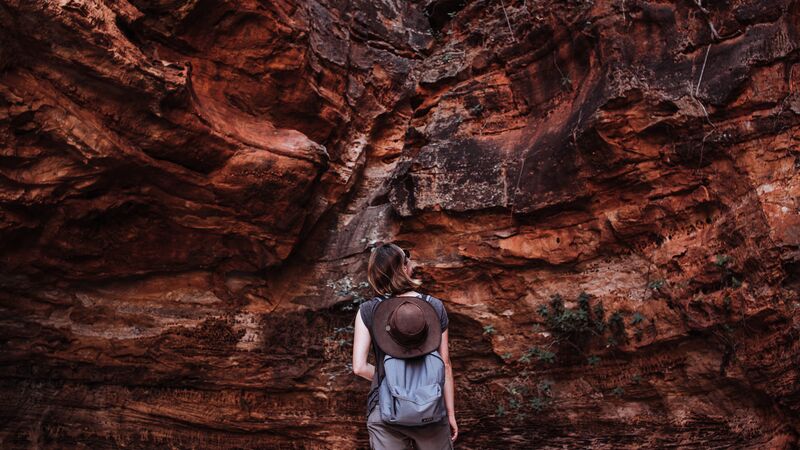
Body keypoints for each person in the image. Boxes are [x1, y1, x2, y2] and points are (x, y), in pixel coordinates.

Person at [352, 243, 459, 449]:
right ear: (403, 268)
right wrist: (450, 413)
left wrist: (391, 382)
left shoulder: (368, 311)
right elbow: (445, 365)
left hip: (385, 408)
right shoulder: (434, 307)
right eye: (406, 259)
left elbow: (359, 367)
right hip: (431, 408)